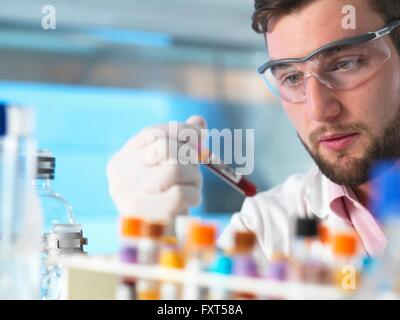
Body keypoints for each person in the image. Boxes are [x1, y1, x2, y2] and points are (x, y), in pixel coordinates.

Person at [106, 0, 400, 261]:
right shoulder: (265, 229)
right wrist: (153, 245)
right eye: (293, 78)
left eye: (345, 64)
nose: (318, 111)